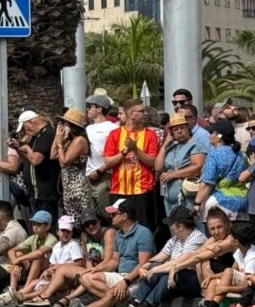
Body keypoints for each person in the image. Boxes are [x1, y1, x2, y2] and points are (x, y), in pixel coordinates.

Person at [64, 198, 154, 307]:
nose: (110, 217)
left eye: (113, 214)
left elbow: (143, 264)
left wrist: (126, 282)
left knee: (113, 293)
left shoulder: (143, 233)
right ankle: (117, 301)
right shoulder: (119, 234)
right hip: (121, 276)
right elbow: (115, 261)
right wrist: (97, 269)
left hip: (137, 279)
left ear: (124, 216)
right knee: (86, 277)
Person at [117, 206, 206, 307]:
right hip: (176, 275)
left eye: (171, 224)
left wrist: (154, 270)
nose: (169, 227)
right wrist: (144, 267)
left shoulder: (196, 238)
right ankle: (136, 301)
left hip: (192, 279)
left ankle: (148, 305)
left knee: (165, 272)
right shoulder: (175, 239)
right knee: (155, 266)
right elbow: (159, 257)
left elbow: (179, 262)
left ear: (180, 226)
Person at [187, 221, 255, 307]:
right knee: (214, 281)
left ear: (236, 241)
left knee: (227, 272)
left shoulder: (253, 259)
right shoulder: (240, 251)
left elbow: (248, 287)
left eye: (231, 237)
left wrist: (225, 288)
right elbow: (232, 272)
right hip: (245, 283)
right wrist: (211, 277)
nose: (229, 239)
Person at [102, 101, 160, 229]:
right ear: (131, 114)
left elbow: (153, 162)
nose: (145, 113)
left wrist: (136, 150)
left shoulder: (150, 135)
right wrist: (124, 152)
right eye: (142, 111)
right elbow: (108, 162)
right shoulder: (115, 134)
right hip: (119, 190)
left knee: (144, 229)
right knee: (120, 228)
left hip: (143, 191)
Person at [14, 215, 85, 305]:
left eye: (68, 231)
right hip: (55, 275)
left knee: (49, 285)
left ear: (72, 233)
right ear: (57, 232)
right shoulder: (57, 246)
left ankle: (27, 297)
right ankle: (20, 293)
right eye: (63, 230)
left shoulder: (73, 245)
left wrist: (58, 267)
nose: (65, 233)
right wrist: (48, 271)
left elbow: (79, 263)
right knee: (34, 282)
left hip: (67, 279)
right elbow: (52, 264)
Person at [0, 209, 57, 304]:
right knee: (17, 254)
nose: (35, 227)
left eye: (38, 224)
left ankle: (24, 291)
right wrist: (16, 263)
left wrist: (19, 259)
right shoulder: (34, 237)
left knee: (37, 259)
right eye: (34, 224)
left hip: (48, 270)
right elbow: (12, 250)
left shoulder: (52, 238)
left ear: (47, 226)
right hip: (35, 269)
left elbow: (39, 253)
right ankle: (12, 290)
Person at [191, 119, 247, 222]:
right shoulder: (242, 154)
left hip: (218, 203)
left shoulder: (214, 154)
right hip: (243, 202)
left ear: (219, 136)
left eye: (211, 132)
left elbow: (207, 183)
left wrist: (197, 204)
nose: (209, 135)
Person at [157, 113, 207, 218]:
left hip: (187, 198)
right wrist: (164, 146)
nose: (179, 131)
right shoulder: (171, 148)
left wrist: (173, 174)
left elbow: (198, 167)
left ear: (187, 128)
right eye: (175, 129)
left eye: (182, 128)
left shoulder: (196, 145)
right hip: (169, 199)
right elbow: (158, 167)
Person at [16, 113, 62, 224]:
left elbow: (36, 160)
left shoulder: (48, 134)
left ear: (31, 123)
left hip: (46, 193)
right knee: (37, 225)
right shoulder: (37, 137)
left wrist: (27, 148)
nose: (25, 132)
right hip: (35, 193)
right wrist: (17, 149)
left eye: (25, 128)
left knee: (46, 224)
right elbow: (29, 161)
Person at [52, 108, 94, 219]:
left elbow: (64, 162)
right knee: (71, 221)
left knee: (81, 219)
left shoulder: (80, 140)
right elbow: (52, 155)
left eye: (65, 124)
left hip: (78, 187)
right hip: (68, 187)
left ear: (72, 126)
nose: (63, 127)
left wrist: (60, 144)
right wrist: (57, 137)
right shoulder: (68, 141)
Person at [85, 94, 115, 209]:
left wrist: (99, 171)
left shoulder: (112, 128)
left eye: (90, 106)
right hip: (88, 177)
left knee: (105, 212)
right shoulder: (88, 128)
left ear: (99, 109)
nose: (87, 109)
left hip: (105, 176)